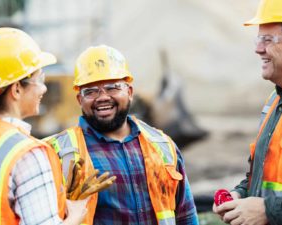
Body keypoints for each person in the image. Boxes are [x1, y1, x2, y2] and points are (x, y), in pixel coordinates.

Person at [0, 27, 90, 225]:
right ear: (17, 89)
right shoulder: (27, 154)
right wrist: (75, 216)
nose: (44, 88)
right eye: (40, 79)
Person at [44, 45, 199, 225]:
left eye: (112, 87)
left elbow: (186, 215)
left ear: (129, 92)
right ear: (80, 100)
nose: (102, 97)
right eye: (91, 91)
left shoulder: (162, 145)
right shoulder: (57, 153)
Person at [213, 0, 282, 224]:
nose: (258, 48)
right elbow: (271, 175)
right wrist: (241, 194)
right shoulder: (276, 99)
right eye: (258, 38)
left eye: (268, 39)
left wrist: (267, 210)